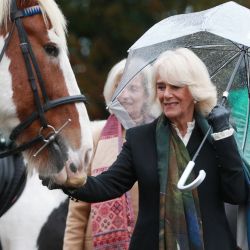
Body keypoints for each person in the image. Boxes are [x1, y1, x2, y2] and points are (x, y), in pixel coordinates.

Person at [43, 48, 248, 250]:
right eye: (161, 87)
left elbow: (237, 194)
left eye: (175, 87)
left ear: (194, 91)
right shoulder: (140, 138)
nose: (166, 94)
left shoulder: (216, 136)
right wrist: (68, 181)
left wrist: (223, 135)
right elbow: (107, 185)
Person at [63, 58, 155, 250]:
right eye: (119, 88)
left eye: (133, 88)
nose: (125, 95)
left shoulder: (158, 136)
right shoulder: (95, 137)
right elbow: (77, 211)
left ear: (147, 94)